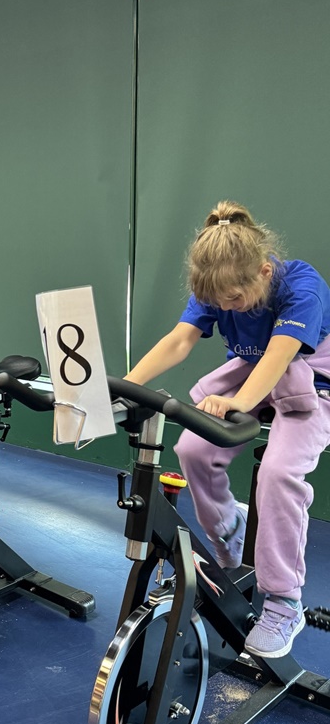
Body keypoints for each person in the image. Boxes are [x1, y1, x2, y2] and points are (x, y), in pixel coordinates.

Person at [126, 200, 330, 659]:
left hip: (314, 379)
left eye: (233, 301)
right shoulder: (219, 281)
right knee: (194, 450)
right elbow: (179, 340)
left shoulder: (302, 286)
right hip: (253, 370)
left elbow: (280, 355)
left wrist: (239, 402)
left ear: (262, 271)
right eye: (217, 302)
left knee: (278, 474)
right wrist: (126, 384)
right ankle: (230, 529)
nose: (225, 308)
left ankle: (283, 601)